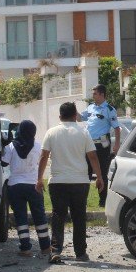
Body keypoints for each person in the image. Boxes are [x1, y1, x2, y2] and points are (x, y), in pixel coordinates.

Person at [37, 102, 104, 263]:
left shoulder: (51, 132)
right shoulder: (84, 132)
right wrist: (100, 177)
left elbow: (44, 156)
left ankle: (56, 251)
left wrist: (39, 178)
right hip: (80, 181)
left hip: (58, 181)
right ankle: (80, 252)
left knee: (58, 216)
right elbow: (92, 156)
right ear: (75, 115)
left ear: (60, 116)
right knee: (79, 217)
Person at [0, 120, 50, 257]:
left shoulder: (11, 146)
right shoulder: (38, 146)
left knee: (20, 217)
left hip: (15, 185)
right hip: (34, 185)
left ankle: (25, 248)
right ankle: (46, 247)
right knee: (39, 215)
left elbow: (4, 162)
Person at [81, 84, 120, 207]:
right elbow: (80, 118)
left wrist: (117, 145)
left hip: (102, 144)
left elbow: (117, 128)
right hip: (89, 143)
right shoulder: (91, 108)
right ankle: (82, 200)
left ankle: (103, 201)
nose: (93, 96)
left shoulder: (109, 109)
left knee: (102, 172)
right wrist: (72, 110)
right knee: (85, 172)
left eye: (95, 93)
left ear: (102, 94)